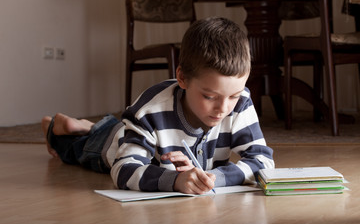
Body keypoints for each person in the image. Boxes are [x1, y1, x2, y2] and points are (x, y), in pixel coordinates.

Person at [42, 17, 275, 195]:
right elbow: (124, 169)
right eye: (209, 97)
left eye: (233, 96)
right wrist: (175, 180)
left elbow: (263, 161)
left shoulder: (240, 101)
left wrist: (212, 177)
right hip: (111, 146)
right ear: (182, 78)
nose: (223, 108)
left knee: (117, 129)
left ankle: (91, 125)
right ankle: (58, 130)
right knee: (81, 149)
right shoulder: (149, 110)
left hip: (137, 133)